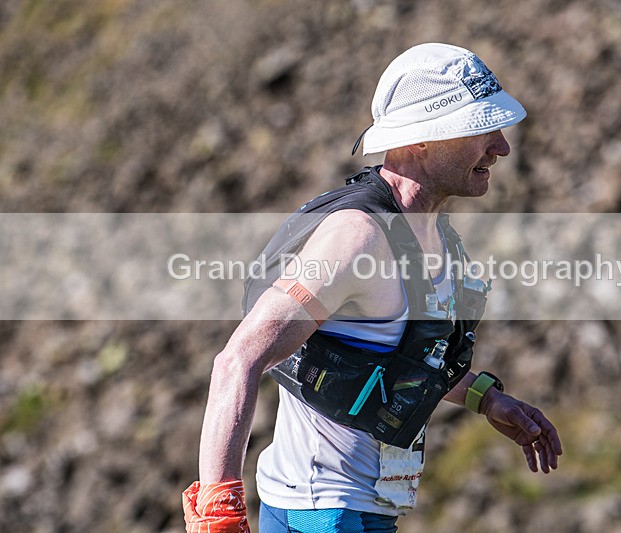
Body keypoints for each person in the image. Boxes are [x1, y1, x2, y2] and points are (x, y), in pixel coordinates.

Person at [183, 42, 562, 533]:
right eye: (480, 129)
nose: (502, 147)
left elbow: (387, 361)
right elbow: (237, 359)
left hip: (359, 512)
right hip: (323, 513)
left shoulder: (432, 233)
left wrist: (485, 398)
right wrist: (218, 516)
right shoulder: (358, 237)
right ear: (421, 139)